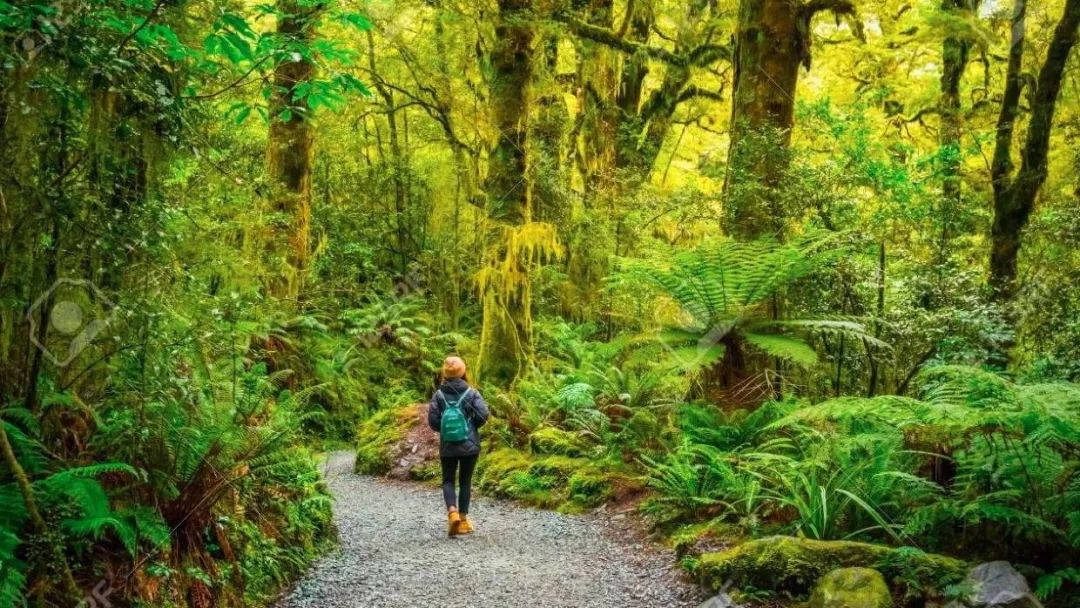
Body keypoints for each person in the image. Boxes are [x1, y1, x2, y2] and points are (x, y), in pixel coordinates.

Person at [427, 356, 489, 537]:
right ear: (463, 372)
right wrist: (471, 427)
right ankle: (462, 519)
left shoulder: (438, 395)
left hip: (448, 446)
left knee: (448, 480)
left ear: (445, 374)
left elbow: (433, 422)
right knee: (465, 481)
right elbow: (483, 415)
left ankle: (452, 512)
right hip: (470, 446)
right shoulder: (471, 392)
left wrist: (446, 431)